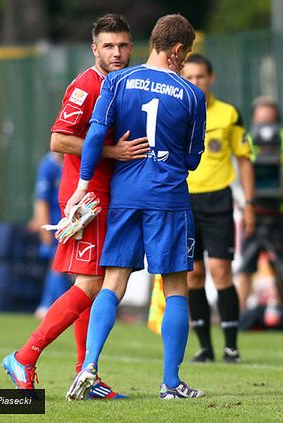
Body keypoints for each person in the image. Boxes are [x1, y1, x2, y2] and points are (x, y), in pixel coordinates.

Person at [2, 14, 149, 399]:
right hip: (86, 198)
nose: (116, 53)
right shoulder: (87, 87)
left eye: (122, 45)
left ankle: (87, 374)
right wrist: (113, 151)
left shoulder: (122, 83)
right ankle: (25, 356)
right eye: (108, 46)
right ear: (94, 49)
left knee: (95, 284)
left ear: (132, 47)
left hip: (107, 194)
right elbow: (58, 140)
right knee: (90, 285)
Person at [65, 14, 206, 400]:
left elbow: (95, 134)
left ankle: (89, 365)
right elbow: (193, 159)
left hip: (125, 195)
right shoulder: (192, 95)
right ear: (177, 51)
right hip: (168, 199)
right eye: (187, 53)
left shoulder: (117, 81)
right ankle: (171, 383)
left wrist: (81, 185)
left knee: (113, 282)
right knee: (176, 287)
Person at [181, 54, 255, 363]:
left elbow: (244, 158)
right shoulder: (175, 111)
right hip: (183, 201)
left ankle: (231, 346)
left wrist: (249, 203)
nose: (195, 82)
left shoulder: (228, 114)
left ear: (211, 78)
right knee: (193, 275)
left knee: (221, 271)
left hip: (218, 201)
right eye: (190, 77)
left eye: (200, 77)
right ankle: (204, 348)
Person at [236, 97, 283, 312]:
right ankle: (235, 318)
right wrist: (244, 205)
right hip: (255, 214)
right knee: (246, 267)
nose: (265, 128)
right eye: (261, 122)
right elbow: (237, 177)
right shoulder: (246, 142)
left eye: (270, 121)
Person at [29, 152, 71, 320]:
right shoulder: (48, 165)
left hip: (70, 223)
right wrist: (44, 228)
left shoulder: (72, 161)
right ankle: (54, 306)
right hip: (55, 225)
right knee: (57, 265)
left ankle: (47, 305)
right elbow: (41, 200)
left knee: (59, 266)